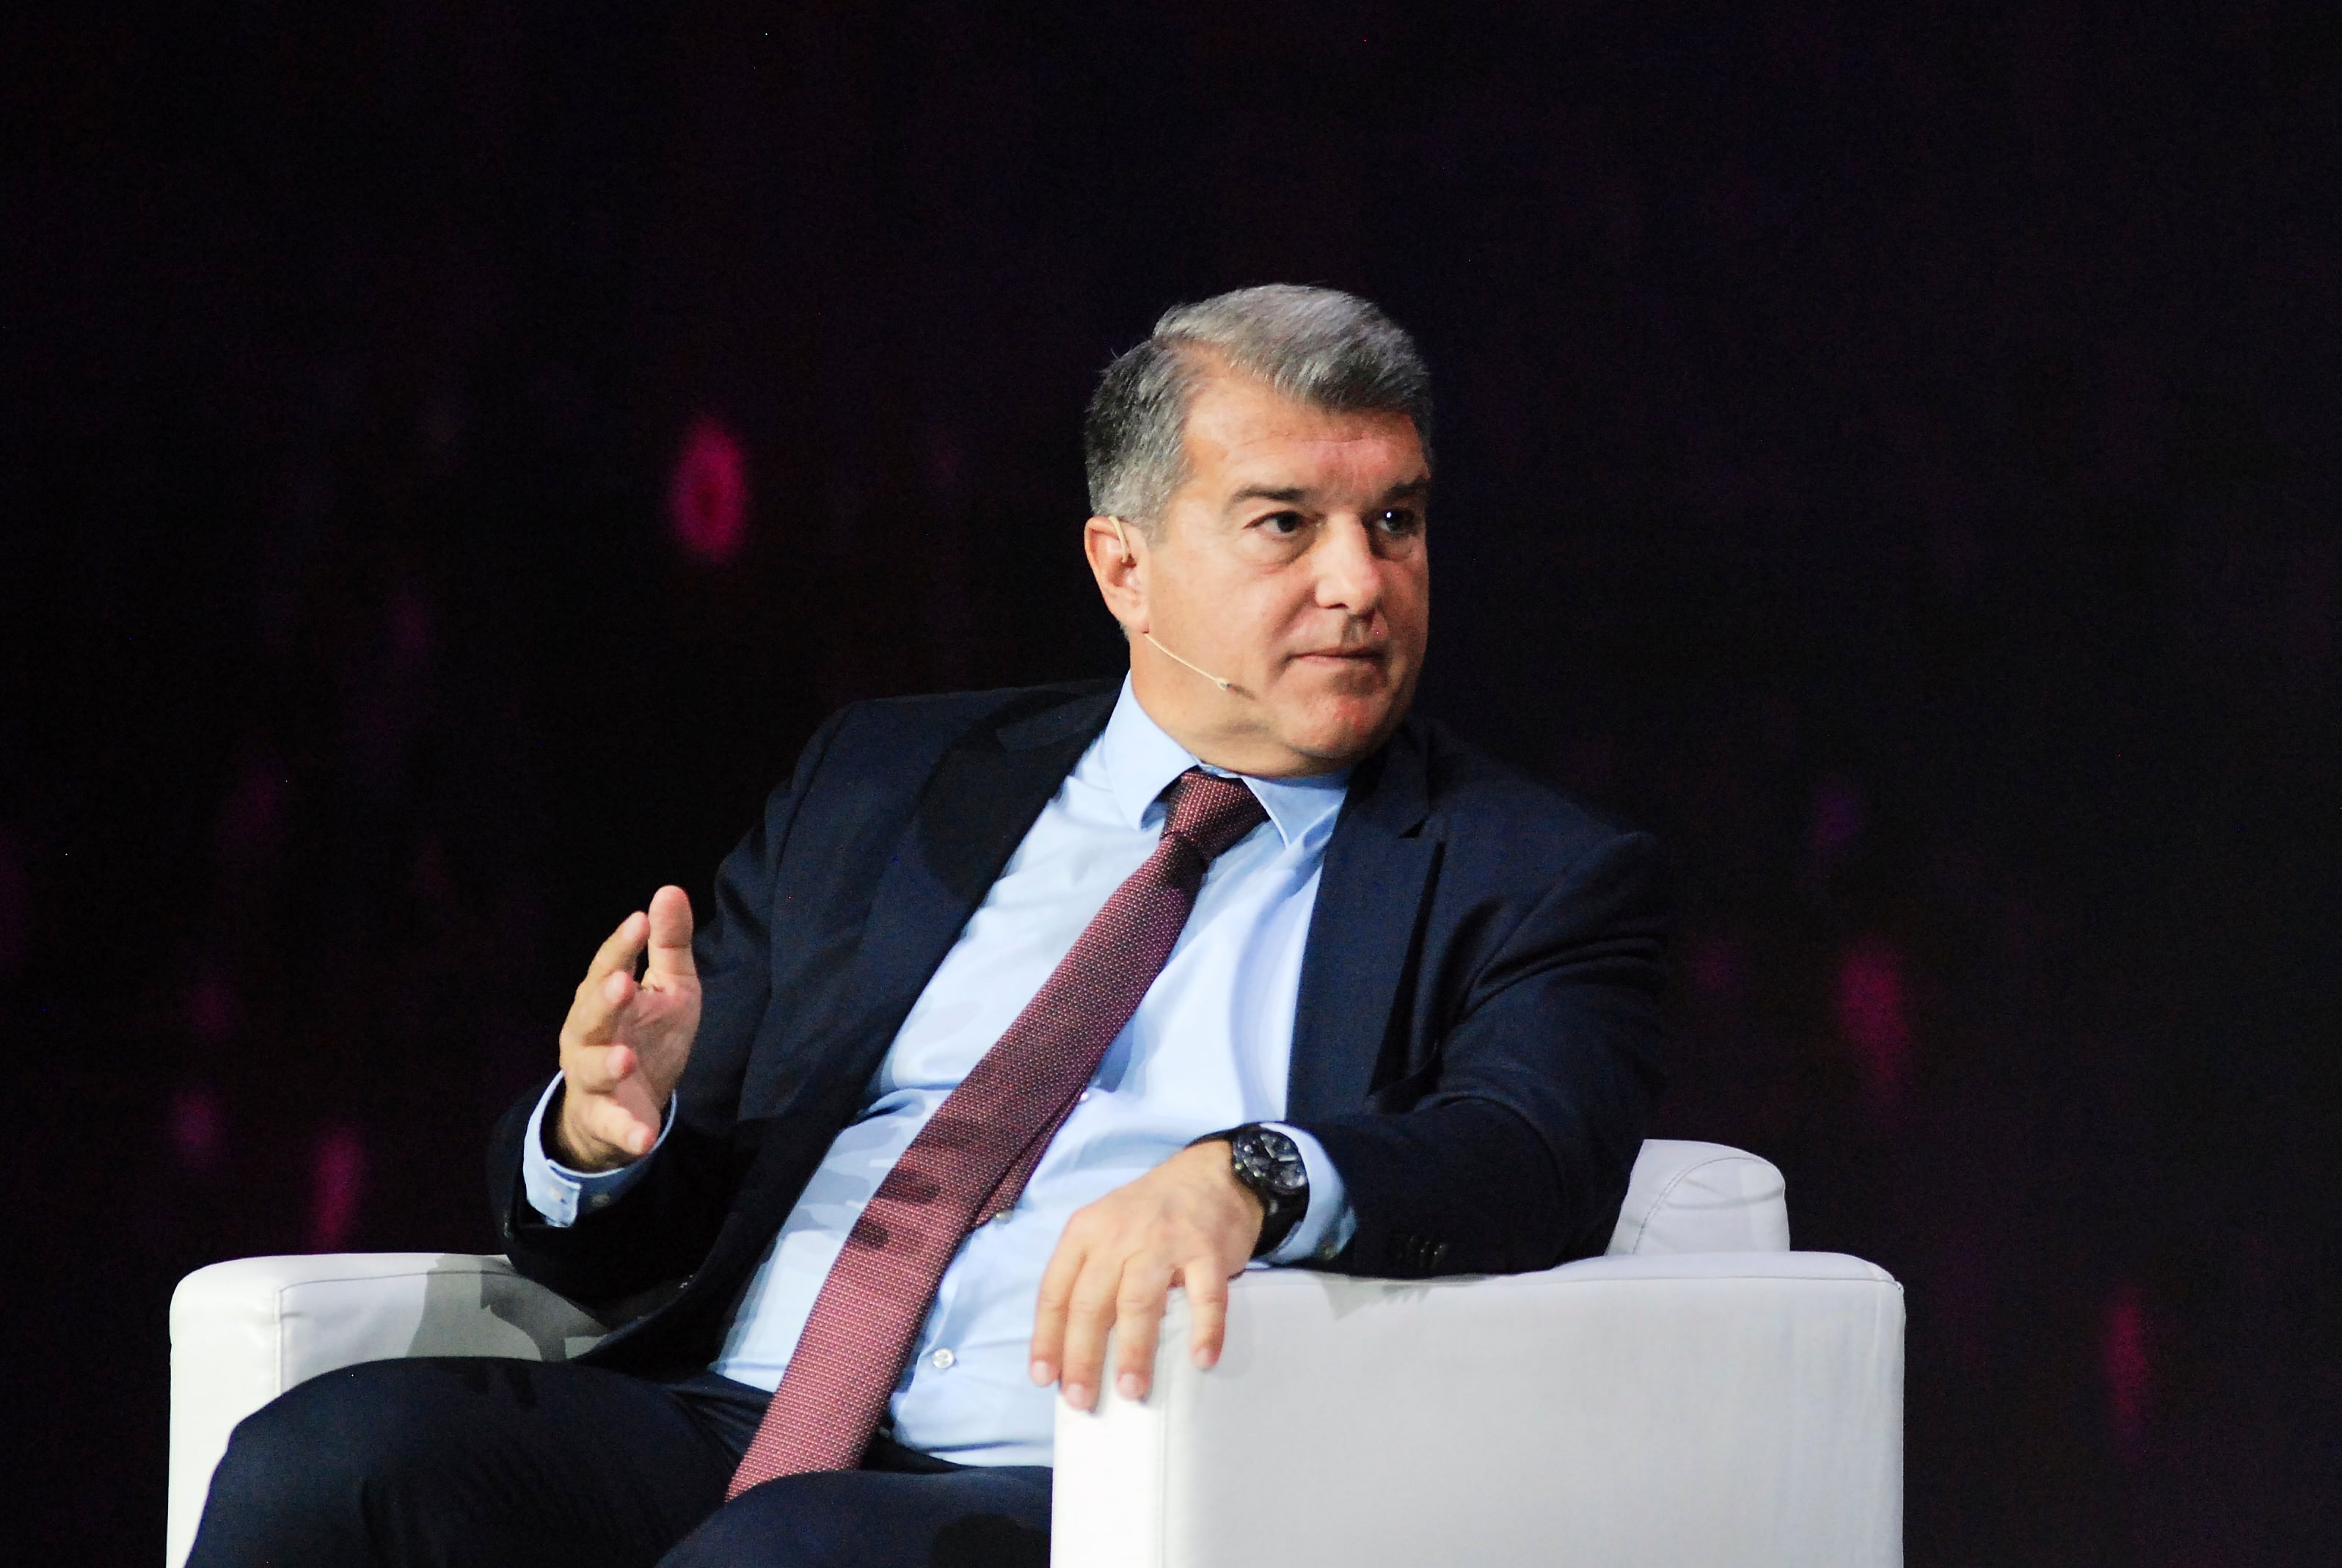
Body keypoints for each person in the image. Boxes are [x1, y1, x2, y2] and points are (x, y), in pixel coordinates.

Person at [190, 284, 1668, 1568]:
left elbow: (1534, 1149)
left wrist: (1252, 1175)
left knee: (789, 1555)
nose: (1358, 582)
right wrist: (602, 1133)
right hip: (740, 1412)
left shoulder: (1529, 868)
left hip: (1096, 1478)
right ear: (1124, 569)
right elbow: (644, 1230)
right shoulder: (890, 782)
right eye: (1287, 523)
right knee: (335, 1463)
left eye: (1394, 521)